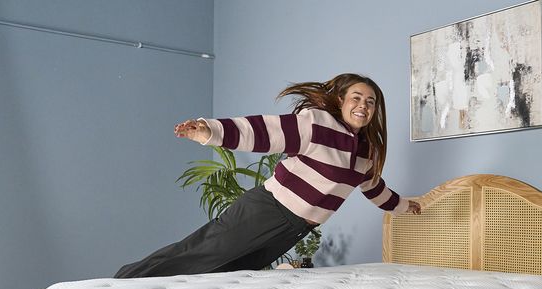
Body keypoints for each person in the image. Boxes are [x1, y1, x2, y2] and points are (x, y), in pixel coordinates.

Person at [114, 73, 421, 278]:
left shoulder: (366, 153)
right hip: (267, 210)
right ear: (341, 100)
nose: (363, 105)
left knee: (229, 274)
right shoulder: (317, 124)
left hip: (293, 229)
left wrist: (406, 206)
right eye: (356, 97)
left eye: (370, 102)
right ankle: (123, 283)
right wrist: (212, 132)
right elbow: (264, 131)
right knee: (198, 255)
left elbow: (375, 189)